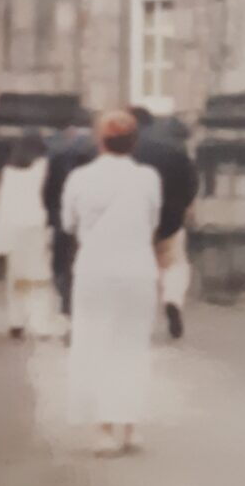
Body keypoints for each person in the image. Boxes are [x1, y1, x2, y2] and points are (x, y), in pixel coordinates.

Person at [62, 110, 162, 455]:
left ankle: (103, 428)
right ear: (134, 142)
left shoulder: (80, 178)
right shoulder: (148, 178)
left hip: (95, 268)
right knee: (132, 345)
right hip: (137, 266)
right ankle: (130, 425)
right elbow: (153, 219)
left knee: (96, 343)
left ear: (99, 140)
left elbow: (67, 221)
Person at [130, 106, 199, 340]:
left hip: (138, 218)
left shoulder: (131, 148)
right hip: (171, 217)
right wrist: (184, 206)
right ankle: (172, 299)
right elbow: (191, 183)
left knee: (140, 267)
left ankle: (139, 317)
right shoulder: (176, 149)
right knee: (175, 263)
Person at [0, 133, 55, 341]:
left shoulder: (8, 171)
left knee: (15, 275)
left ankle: (16, 321)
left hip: (11, 227)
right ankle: (40, 322)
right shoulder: (43, 167)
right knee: (38, 274)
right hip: (35, 224)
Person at [42, 123, 97, 321]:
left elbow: (48, 191)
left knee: (62, 261)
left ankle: (66, 298)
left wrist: (50, 215)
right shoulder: (95, 158)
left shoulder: (57, 156)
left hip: (61, 216)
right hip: (90, 219)